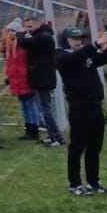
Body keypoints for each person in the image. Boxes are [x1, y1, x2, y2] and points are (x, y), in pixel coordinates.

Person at [57, 26, 107, 196]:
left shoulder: (85, 54)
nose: (79, 42)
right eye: (74, 39)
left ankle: (94, 182)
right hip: (79, 107)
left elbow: (102, 59)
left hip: (96, 106)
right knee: (77, 147)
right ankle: (74, 183)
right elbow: (75, 58)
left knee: (94, 147)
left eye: (81, 38)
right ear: (66, 40)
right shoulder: (61, 54)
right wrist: (97, 43)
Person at [18, 17, 65, 147]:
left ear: (38, 25)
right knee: (44, 107)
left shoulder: (44, 37)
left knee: (46, 108)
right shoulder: (43, 36)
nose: (27, 30)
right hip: (41, 76)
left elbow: (23, 42)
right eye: (25, 26)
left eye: (29, 27)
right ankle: (52, 135)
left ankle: (56, 137)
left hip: (43, 77)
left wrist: (20, 33)